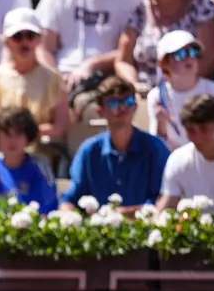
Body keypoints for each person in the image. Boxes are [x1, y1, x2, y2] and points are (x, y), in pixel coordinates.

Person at [60, 76, 171, 211]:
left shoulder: (155, 149)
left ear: (135, 107)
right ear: (100, 112)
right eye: (114, 103)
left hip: (146, 228)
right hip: (98, 229)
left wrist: (123, 214)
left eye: (128, 102)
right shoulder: (89, 151)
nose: (123, 108)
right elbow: (70, 199)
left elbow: (165, 200)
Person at [36, 0, 146, 115]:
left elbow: (132, 50)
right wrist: (55, 78)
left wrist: (94, 65)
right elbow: (43, 47)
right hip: (61, 75)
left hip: (108, 78)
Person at [0, 8, 69, 148]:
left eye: (30, 36)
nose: (24, 42)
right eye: (17, 37)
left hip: (37, 156)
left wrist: (22, 136)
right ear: (6, 41)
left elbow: (61, 127)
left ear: (39, 40)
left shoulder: (53, 79)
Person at [115, 0, 214, 91]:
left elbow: (210, 59)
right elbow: (123, 61)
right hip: (145, 94)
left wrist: (172, 87)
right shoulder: (140, 11)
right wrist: (134, 85)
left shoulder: (202, 6)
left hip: (193, 94)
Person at [146, 30, 214, 149]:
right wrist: (161, 124)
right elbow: (156, 145)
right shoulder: (156, 96)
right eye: (180, 54)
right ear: (164, 63)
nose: (188, 58)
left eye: (193, 52)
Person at [0, 107, 59, 215]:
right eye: (7, 134)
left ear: (27, 137)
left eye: (18, 134)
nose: (12, 141)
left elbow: (46, 211)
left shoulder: (39, 167)